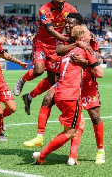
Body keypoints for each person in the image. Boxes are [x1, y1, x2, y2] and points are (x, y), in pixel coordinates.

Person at [24, 13, 105, 165]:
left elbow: (96, 62)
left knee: (94, 117)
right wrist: (76, 44)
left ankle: (100, 150)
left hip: (86, 83)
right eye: (66, 23)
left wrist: (84, 61)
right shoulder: (66, 37)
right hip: (70, 85)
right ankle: (46, 141)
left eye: (70, 23)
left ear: (79, 25)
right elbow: (59, 50)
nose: (66, 25)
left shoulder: (89, 37)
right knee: (49, 100)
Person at [13, 0, 77, 115]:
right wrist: (65, 39)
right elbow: (50, 29)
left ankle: (29, 97)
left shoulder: (70, 9)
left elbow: (78, 22)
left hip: (56, 47)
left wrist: (85, 32)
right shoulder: (44, 9)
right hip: (42, 43)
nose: (61, 1)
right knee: (38, 70)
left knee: (52, 79)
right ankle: (22, 80)